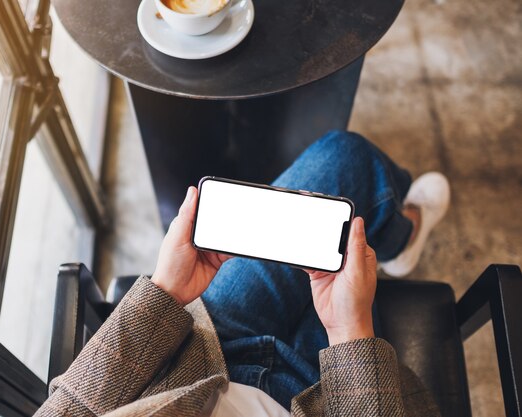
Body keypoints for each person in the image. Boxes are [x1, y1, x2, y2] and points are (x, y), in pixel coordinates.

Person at [34, 131, 449, 417]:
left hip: (195, 364)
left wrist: (164, 292)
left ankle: (397, 237)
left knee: (344, 161)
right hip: (314, 399)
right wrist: (349, 332)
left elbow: (73, 408)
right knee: (342, 226)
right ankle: (403, 233)